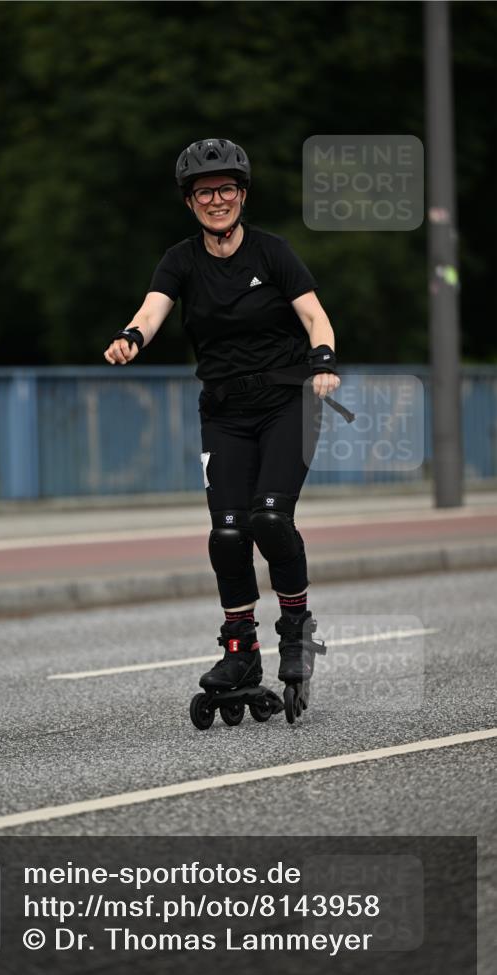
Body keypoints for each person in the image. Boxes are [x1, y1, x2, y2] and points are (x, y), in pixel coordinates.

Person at [104, 137, 343, 705]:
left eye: (227, 189)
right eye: (205, 192)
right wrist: (130, 336)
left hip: (289, 402)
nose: (218, 200)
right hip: (225, 413)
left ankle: (295, 633)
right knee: (228, 532)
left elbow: (315, 316)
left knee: (269, 519)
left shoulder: (272, 252)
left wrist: (324, 362)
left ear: (242, 194)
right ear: (190, 202)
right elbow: (153, 307)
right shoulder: (181, 259)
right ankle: (241, 653)